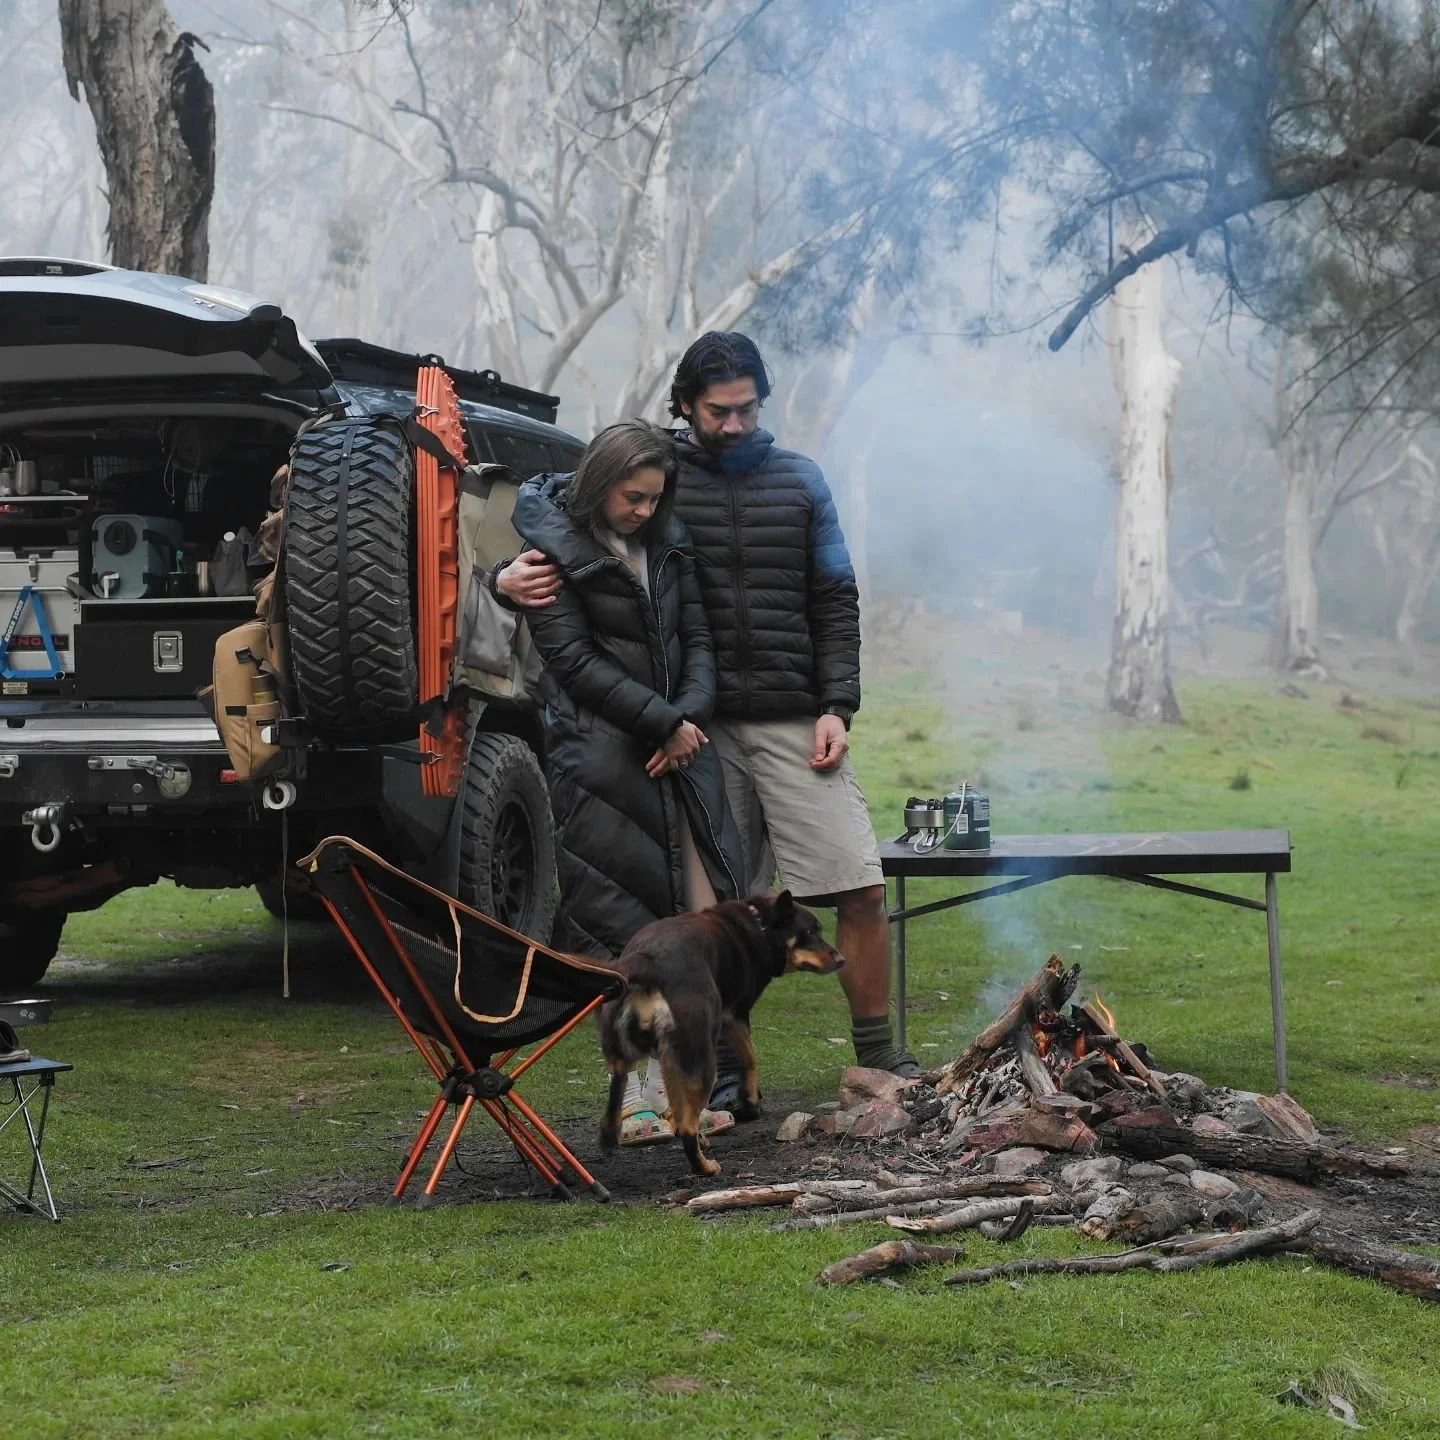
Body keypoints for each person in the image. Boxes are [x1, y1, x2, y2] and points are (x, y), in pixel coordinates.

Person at [497, 333, 918, 1109]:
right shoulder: (657, 475)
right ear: (686, 406)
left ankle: (881, 1057)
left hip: (796, 719)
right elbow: (558, 502)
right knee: (712, 916)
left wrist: (837, 705)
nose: (735, 424)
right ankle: (723, 1077)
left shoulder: (801, 480)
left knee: (857, 884)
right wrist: (504, 573)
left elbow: (835, 595)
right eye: (719, 411)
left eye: (748, 408)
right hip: (696, 730)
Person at [500, 419, 747, 1144]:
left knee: (697, 924)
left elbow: (699, 641)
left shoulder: (668, 541)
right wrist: (664, 723)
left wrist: (686, 721)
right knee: (624, 938)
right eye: (632, 497)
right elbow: (573, 664)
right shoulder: (547, 555)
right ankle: (633, 1100)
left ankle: (679, 1097)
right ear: (599, 483)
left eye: (654, 497)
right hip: (605, 770)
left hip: (680, 760)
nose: (644, 510)